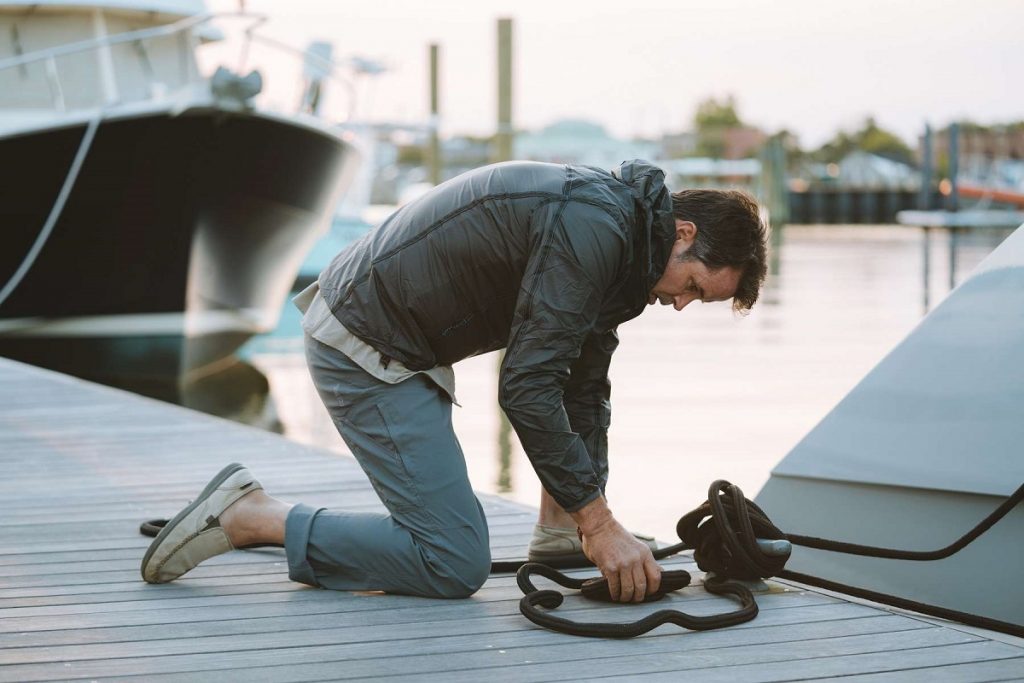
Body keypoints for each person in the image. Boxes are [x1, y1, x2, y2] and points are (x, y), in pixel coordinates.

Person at [141, 159, 768, 603]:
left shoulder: (625, 244)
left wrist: (582, 522)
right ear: (683, 234)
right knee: (451, 561)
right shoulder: (597, 229)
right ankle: (255, 516)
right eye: (692, 287)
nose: (682, 305)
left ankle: (553, 530)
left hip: (405, 345)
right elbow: (526, 385)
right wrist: (600, 525)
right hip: (364, 343)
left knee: (561, 426)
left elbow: (582, 388)